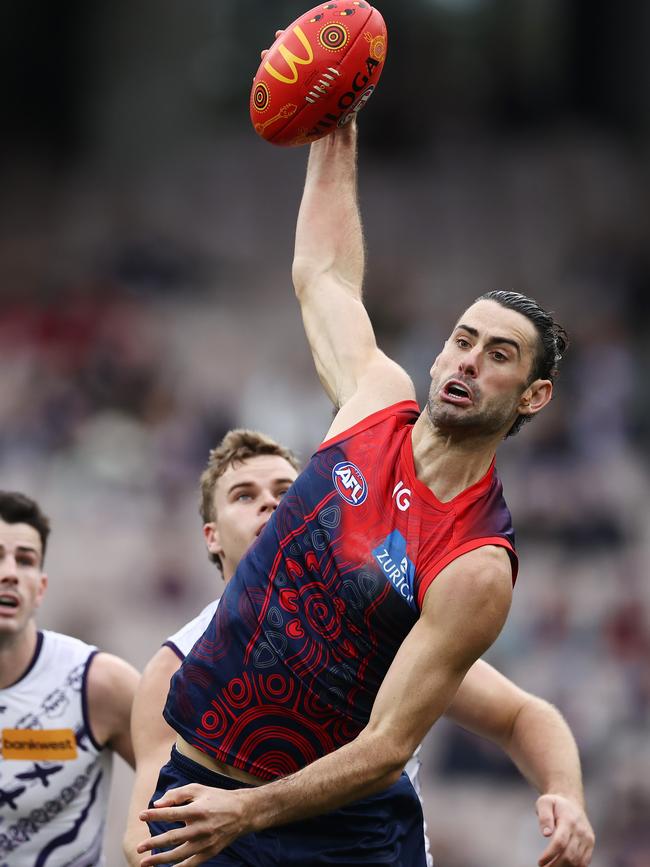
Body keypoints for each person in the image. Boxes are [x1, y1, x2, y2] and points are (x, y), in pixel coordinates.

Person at [138, 122, 594, 866]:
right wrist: (336, 125)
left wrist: (567, 793)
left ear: (535, 394)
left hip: (337, 840)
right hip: (200, 796)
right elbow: (323, 272)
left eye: (499, 354)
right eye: (463, 338)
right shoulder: (375, 401)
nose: (468, 360)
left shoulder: (475, 560)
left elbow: (388, 747)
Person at [126, 428, 593, 867]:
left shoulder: (373, 631)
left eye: (285, 492)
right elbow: (145, 842)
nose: (269, 502)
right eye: (244, 495)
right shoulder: (176, 666)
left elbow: (520, 716)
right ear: (211, 535)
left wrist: (567, 795)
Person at [0, 489, 139, 866]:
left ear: (41, 588)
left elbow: (187, 791)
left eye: (25, 560)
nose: (9, 573)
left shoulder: (96, 683)